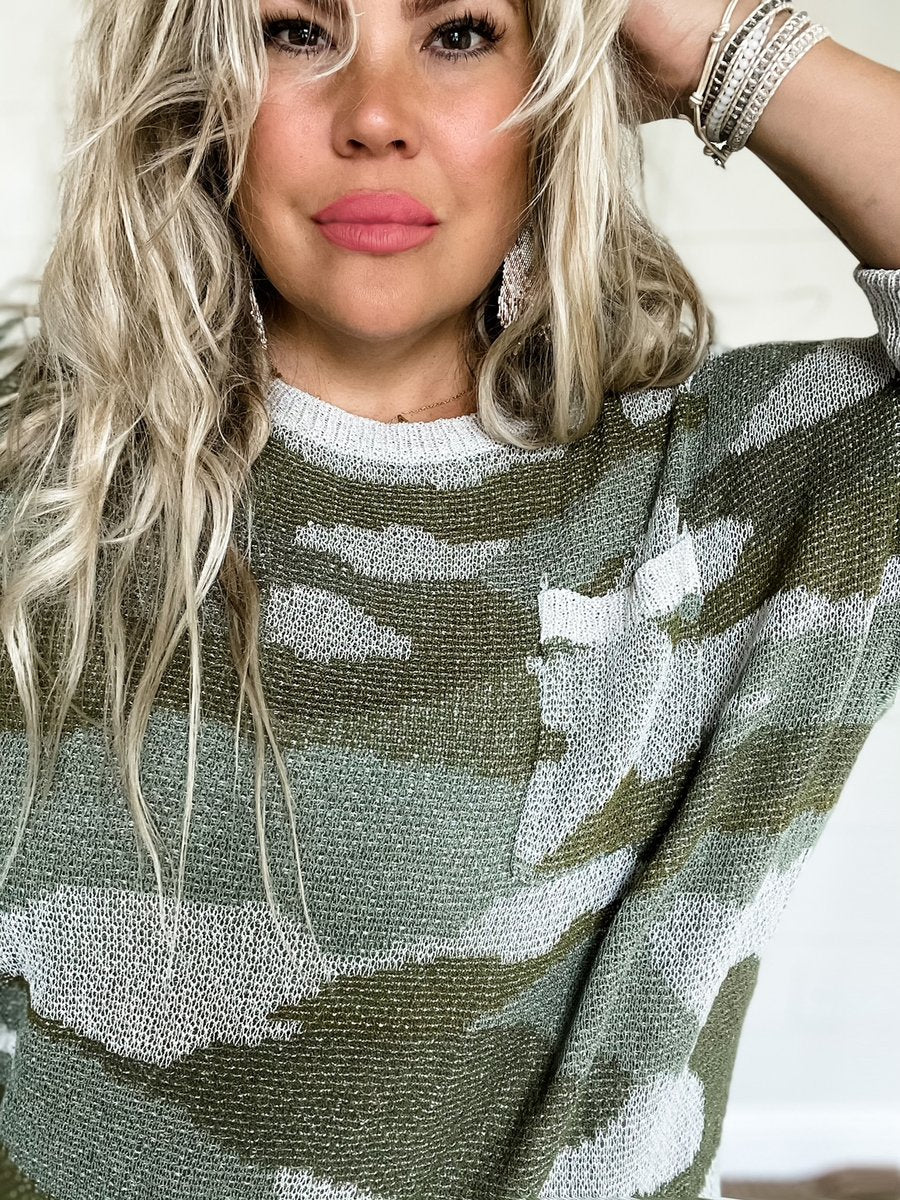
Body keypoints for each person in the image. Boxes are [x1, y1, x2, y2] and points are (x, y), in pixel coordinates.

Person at [0, 0, 897, 1197]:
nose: (376, 116)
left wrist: (712, 46)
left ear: (553, 89)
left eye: (461, 33)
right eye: (295, 31)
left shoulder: (722, 495)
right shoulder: (37, 483)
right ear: (201, 88)